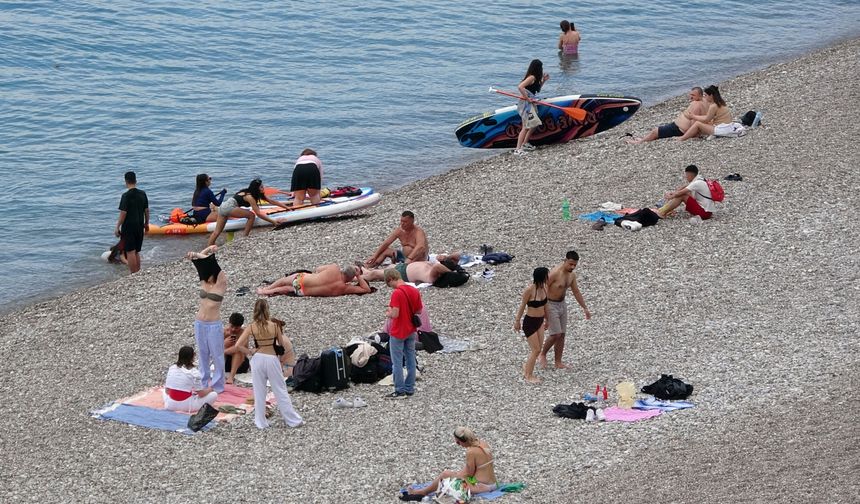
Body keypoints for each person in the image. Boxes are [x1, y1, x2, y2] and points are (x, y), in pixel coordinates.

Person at [236, 299, 304, 429]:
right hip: (271, 357)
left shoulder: (251, 326)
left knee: (259, 390)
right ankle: (292, 420)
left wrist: (250, 351)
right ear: (267, 310)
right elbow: (282, 345)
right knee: (280, 389)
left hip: (257, 358)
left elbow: (238, 345)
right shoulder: (274, 326)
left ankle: (260, 422)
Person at [403, 427, 497, 499]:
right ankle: (426, 489)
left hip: (481, 486)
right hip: (492, 484)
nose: (458, 445)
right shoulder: (483, 444)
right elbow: (472, 469)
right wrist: (457, 475)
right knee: (451, 475)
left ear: (463, 441)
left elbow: (469, 473)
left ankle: (423, 492)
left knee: (445, 474)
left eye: (458, 443)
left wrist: (453, 476)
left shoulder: (471, 452)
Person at [540, 251, 591, 369]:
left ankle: (558, 361)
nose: (572, 267)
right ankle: (543, 354)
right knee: (555, 334)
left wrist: (585, 308)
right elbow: (543, 289)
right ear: (565, 261)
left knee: (562, 334)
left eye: (575, 265)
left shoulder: (571, 275)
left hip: (562, 304)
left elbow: (576, 291)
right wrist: (543, 312)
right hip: (550, 304)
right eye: (570, 264)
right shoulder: (554, 273)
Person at [188, 245, 227, 393]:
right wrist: (207, 249)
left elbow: (214, 265)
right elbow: (197, 260)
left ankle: (217, 385)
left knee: (216, 354)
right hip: (200, 323)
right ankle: (204, 383)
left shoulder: (221, 282)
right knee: (203, 353)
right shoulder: (204, 282)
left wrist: (203, 254)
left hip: (213, 324)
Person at [207, 178, 289, 246]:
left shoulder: (251, 193)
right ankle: (245, 236)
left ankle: (209, 248)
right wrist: (273, 221)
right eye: (261, 187)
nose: (263, 188)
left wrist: (287, 207)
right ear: (256, 188)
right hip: (229, 207)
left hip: (222, 208)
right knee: (251, 216)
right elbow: (258, 213)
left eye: (262, 186)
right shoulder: (249, 196)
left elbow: (272, 201)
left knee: (217, 232)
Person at [384, 268, 422, 399]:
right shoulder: (414, 290)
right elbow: (418, 310)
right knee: (411, 359)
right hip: (411, 330)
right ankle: (409, 388)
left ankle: (399, 391)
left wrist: (388, 312)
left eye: (389, 284)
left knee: (397, 362)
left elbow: (395, 314)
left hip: (398, 331)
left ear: (390, 280)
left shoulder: (397, 293)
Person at [627, 87, 708, 143]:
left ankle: (639, 142)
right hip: (677, 127)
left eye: (693, 95)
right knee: (658, 131)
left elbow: (694, 123)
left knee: (655, 131)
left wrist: (691, 136)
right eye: (690, 94)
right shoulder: (704, 100)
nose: (690, 97)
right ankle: (644, 139)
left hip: (679, 129)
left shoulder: (696, 105)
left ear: (700, 95)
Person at [514, 267, 549, 384]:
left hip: (540, 321)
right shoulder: (529, 290)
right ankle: (528, 375)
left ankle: (527, 366)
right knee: (536, 349)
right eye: (546, 276)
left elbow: (546, 306)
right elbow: (522, 306)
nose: (547, 277)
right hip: (530, 322)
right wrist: (517, 321)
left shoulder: (544, 288)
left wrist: (547, 319)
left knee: (538, 349)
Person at [256, 264, 371, 297]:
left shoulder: (334, 268)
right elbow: (366, 289)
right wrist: (359, 276)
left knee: (283, 281)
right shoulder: (343, 288)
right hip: (302, 291)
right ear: (351, 278)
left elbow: (318, 269)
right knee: (286, 288)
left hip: (302, 279)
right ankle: (267, 292)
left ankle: (265, 290)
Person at [162, 346, 218, 412]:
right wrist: (211, 389)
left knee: (163, 390)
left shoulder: (172, 368)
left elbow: (167, 391)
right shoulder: (194, 372)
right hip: (187, 406)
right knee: (214, 395)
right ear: (193, 356)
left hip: (170, 405)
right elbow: (201, 394)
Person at [365, 211, 429, 267]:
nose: (402, 224)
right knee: (386, 250)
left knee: (417, 250)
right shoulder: (399, 230)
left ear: (412, 221)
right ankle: (369, 265)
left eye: (405, 222)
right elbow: (386, 243)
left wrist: (410, 258)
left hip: (417, 259)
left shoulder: (418, 231)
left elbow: (420, 246)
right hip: (404, 257)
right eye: (401, 221)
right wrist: (375, 255)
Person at [513, 59, 550, 156]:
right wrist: (527, 98)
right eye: (541, 67)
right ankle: (518, 149)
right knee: (525, 127)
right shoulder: (531, 77)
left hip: (531, 102)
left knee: (535, 124)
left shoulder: (535, 78)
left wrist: (543, 81)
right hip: (526, 104)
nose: (542, 69)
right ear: (537, 68)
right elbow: (520, 87)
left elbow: (536, 90)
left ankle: (525, 144)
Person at [115, 171, 149, 273]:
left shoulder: (126, 196)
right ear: (136, 181)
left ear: (126, 181)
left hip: (129, 226)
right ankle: (138, 272)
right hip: (139, 225)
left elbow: (123, 213)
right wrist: (146, 223)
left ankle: (133, 274)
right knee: (137, 251)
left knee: (130, 251)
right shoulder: (142, 194)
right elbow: (146, 210)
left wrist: (117, 227)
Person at [361, 253, 461, 285]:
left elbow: (437, 267)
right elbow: (457, 255)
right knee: (383, 270)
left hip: (401, 273)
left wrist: (452, 272)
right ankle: (364, 270)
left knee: (374, 274)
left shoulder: (433, 276)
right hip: (403, 267)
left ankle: (355, 277)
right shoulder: (436, 268)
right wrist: (446, 257)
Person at [223, 312, 249, 385]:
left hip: (240, 364)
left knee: (238, 351)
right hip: (226, 362)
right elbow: (215, 347)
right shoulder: (225, 331)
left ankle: (231, 377)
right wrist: (224, 343)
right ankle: (220, 373)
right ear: (229, 323)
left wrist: (224, 351)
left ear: (240, 327)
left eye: (236, 328)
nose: (233, 329)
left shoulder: (244, 333)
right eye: (232, 326)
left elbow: (238, 348)